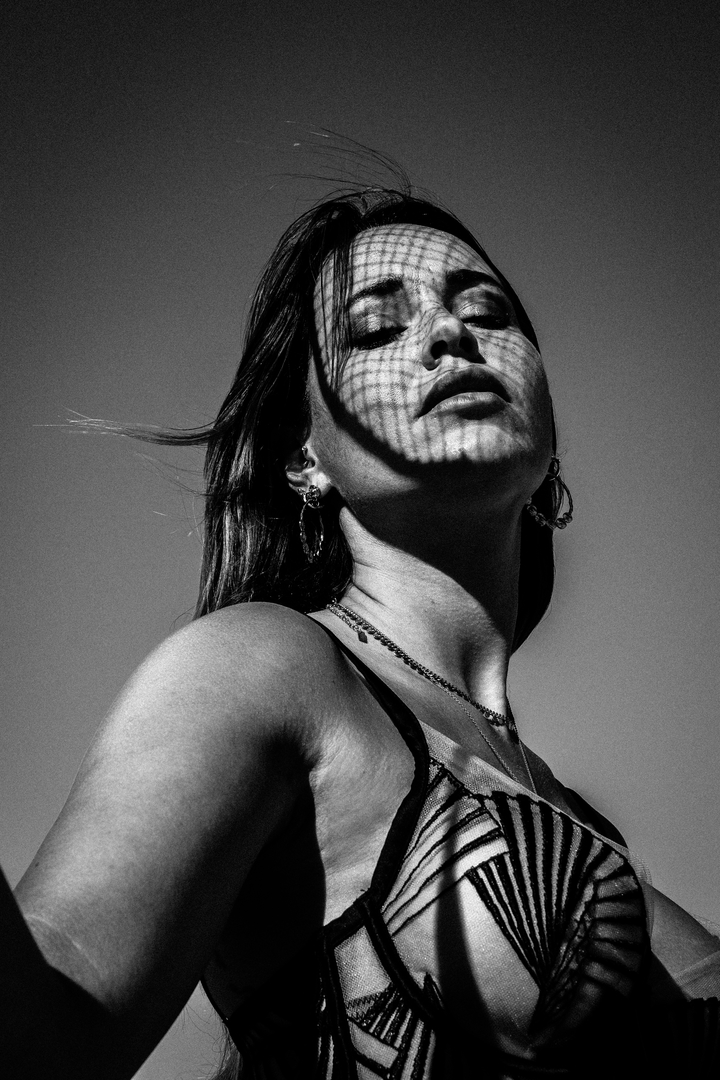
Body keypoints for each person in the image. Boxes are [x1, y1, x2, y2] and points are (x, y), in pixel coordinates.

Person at [3, 184, 719, 1080]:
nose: (449, 334)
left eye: (486, 312)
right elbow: (46, 1023)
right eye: (376, 330)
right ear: (304, 458)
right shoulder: (266, 666)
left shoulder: (580, 826)